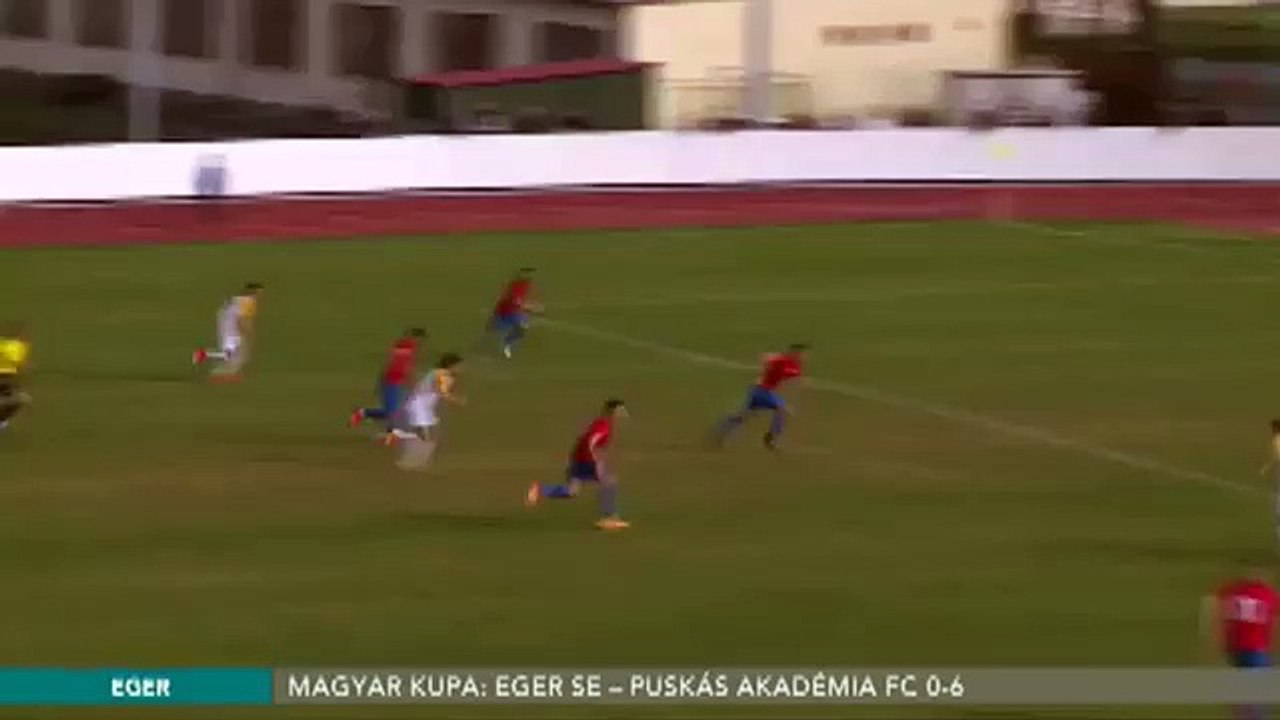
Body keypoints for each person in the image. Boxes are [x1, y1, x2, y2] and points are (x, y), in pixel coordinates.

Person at [526, 398, 630, 531]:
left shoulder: (600, 422)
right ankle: (609, 519)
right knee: (609, 482)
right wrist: (595, 462)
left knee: (571, 491)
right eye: (620, 410)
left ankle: (540, 489)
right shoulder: (603, 427)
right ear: (612, 411)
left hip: (578, 460)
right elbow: (590, 442)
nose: (623, 413)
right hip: (587, 461)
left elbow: (585, 441)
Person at [1204, 565, 1277, 719]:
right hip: (1256, 648)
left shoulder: (1234, 591)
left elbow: (1213, 599)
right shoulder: (1267, 594)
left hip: (1236, 648)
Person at [712, 343, 807, 450]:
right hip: (761, 391)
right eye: (799, 354)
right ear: (793, 353)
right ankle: (770, 439)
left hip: (763, 391)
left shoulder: (794, 367)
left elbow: (794, 377)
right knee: (781, 409)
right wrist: (766, 367)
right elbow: (765, 357)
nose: (802, 357)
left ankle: (720, 431)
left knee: (743, 416)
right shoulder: (781, 360)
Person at [392, 353, 465, 467]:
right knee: (425, 435)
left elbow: (434, 389)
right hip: (419, 407)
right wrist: (458, 400)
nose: (461, 368)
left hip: (420, 406)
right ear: (451, 365)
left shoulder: (436, 372)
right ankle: (413, 462)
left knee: (428, 434)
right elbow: (442, 392)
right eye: (459, 365)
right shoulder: (444, 375)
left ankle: (417, 460)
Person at [349, 328, 427, 435]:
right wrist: (410, 380)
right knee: (391, 412)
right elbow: (398, 365)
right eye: (421, 339)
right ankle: (362, 413)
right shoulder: (407, 346)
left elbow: (401, 365)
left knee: (397, 410)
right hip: (390, 382)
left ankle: (392, 430)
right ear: (416, 337)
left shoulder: (409, 348)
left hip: (395, 383)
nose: (422, 343)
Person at [192, 282, 263, 381]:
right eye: (258, 292)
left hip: (227, 319)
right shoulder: (248, 301)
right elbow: (243, 320)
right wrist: (247, 332)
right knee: (231, 354)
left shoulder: (243, 299)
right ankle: (206, 359)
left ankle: (206, 358)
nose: (259, 295)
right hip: (229, 323)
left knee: (232, 353)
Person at [487, 268, 542, 359]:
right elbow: (519, 305)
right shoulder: (514, 296)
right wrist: (535, 310)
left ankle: (506, 343)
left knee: (522, 324)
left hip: (508, 313)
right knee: (521, 327)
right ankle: (506, 344)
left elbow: (517, 303)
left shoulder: (518, 288)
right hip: (505, 315)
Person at [0, 322, 32, 431]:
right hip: (7, 377)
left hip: (7, 378)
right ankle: (2, 421)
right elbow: (21, 365)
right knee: (18, 400)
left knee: (16, 399)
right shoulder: (16, 347)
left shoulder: (14, 346)